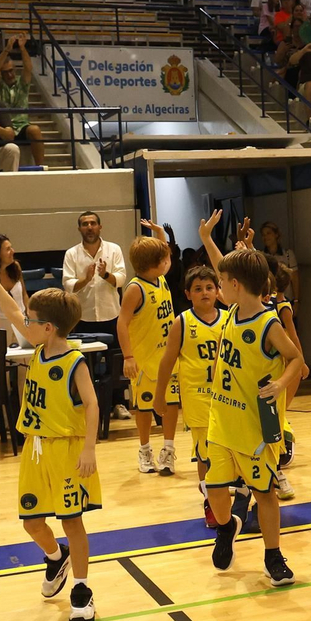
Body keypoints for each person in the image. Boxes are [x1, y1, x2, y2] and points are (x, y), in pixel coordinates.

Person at [0, 243, 101, 621]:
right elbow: (12, 310)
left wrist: (90, 449)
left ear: (48, 328)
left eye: (30, 320)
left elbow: (92, 405)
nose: (22, 322)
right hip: (35, 448)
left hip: (67, 450)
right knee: (32, 522)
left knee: (72, 522)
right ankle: (56, 558)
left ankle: (82, 589)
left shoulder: (74, 361)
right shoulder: (38, 349)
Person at [203, 248, 303, 588]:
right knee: (215, 490)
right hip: (221, 418)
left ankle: (273, 555)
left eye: (221, 282)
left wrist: (281, 384)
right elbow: (225, 266)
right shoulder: (231, 312)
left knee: (265, 493)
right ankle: (227, 526)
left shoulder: (268, 323)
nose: (218, 287)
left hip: (254, 428)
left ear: (235, 285)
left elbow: (295, 359)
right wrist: (208, 239)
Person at [153, 258, 231, 527]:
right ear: (188, 294)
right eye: (198, 289)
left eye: (209, 287)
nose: (205, 293)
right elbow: (166, 362)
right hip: (197, 396)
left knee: (229, 451)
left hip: (228, 397)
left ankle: (231, 497)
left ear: (218, 291)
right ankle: (210, 501)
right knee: (205, 453)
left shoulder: (229, 319)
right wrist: (159, 395)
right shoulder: (182, 322)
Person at [117, 235, 178, 476]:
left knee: (171, 404)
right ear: (155, 264)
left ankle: (168, 449)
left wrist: (160, 235)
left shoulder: (160, 278)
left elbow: (165, 255)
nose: (168, 261)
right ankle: (144, 449)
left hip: (167, 357)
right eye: (164, 259)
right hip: (144, 360)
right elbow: (122, 323)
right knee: (144, 408)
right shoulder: (135, 289)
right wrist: (128, 357)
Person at [63, 211, 128, 352]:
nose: (89, 227)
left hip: (111, 315)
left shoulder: (114, 249)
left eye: (93, 223)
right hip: (83, 318)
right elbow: (68, 285)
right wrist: (86, 279)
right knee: (86, 360)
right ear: (79, 229)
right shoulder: (71, 254)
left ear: (100, 227)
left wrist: (105, 275)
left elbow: (121, 278)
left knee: (114, 358)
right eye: (85, 224)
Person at [0, 36, 46, 167]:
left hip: (21, 126)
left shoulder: (22, 84)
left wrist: (22, 48)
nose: (9, 74)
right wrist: (6, 49)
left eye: (11, 71)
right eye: (5, 72)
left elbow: (28, 68)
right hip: (3, 127)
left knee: (35, 130)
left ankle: (40, 167)